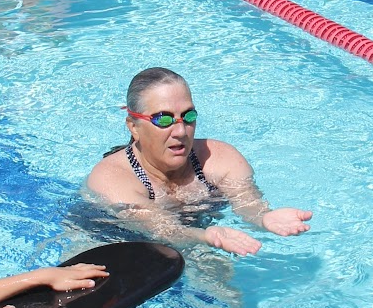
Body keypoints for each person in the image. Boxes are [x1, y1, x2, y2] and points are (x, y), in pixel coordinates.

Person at [86, 67, 312, 256]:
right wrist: (206, 236)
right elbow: (163, 230)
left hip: (197, 237)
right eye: (163, 119)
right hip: (112, 241)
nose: (180, 131)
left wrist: (262, 218)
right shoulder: (111, 179)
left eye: (188, 116)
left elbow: (247, 204)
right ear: (133, 126)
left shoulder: (220, 159)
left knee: (223, 287)